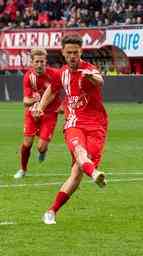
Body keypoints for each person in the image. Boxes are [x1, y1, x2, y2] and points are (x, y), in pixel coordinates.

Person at [37, 34, 108, 224]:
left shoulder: (89, 69)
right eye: (68, 53)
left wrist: (91, 76)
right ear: (63, 53)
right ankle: (95, 174)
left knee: (77, 173)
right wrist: (40, 107)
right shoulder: (62, 74)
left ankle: (52, 210)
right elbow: (51, 90)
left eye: (75, 53)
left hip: (97, 126)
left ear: (81, 52)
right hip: (74, 123)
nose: (72, 56)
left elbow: (100, 80)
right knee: (79, 152)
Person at [14, 48, 61, 179]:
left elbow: (53, 94)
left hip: (50, 114)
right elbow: (26, 101)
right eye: (37, 61)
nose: (40, 64)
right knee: (27, 143)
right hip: (32, 113)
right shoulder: (28, 77)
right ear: (32, 63)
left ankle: (43, 151)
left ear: (46, 62)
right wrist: (34, 101)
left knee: (40, 147)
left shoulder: (54, 75)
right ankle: (22, 170)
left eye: (42, 61)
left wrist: (41, 105)